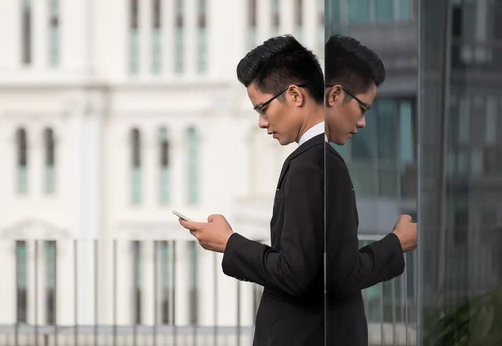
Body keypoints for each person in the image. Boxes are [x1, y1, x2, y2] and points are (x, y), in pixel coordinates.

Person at [179, 35, 328, 345]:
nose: (262, 122)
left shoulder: (309, 165)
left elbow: (294, 273)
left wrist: (229, 243)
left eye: (263, 109)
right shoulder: (318, 159)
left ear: (296, 96)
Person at [323, 34, 417, 345]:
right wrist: (397, 243)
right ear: (335, 95)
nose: (362, 123)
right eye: (362, 108)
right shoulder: (326, 165)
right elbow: (340, 274)